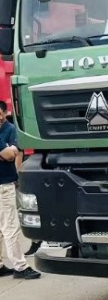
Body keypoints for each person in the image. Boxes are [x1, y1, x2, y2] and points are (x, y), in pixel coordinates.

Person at [0, 101, 41, 279]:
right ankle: (20, 266)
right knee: (10, 227)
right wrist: (8, 152)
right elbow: (10, 154)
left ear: (5, 112)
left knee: (5, 227)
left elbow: (14, 153)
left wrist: (9, 153)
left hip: (6, 181)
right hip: (3, 186)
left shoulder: (10, 129)